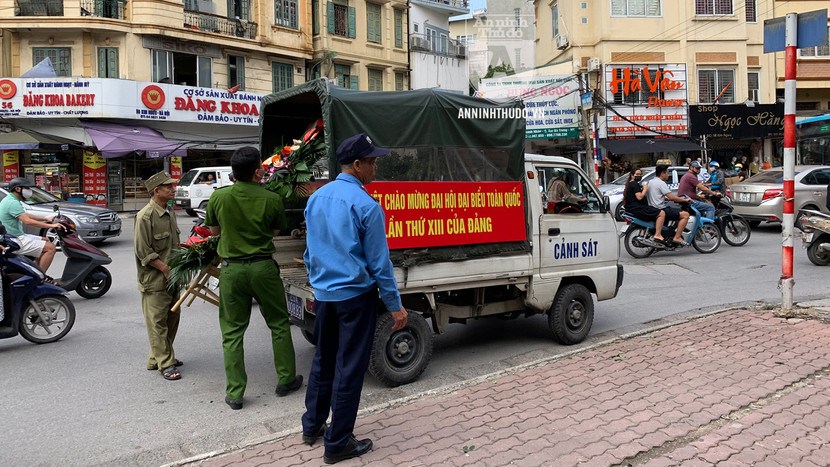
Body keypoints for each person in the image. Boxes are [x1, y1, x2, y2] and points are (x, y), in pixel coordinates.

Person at [301, 133, 408, 464]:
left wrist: (319, 282)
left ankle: (312, 427)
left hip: (324, 296)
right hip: (355, 298)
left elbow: (309, 253)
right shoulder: (367, 206)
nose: (375, 168)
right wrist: (395, 306)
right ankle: (338, 443)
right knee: (349, 368)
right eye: (373, 162)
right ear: (357, 165)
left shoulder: (316, 199)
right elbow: (380, 264)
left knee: (324, 360)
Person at [204, 146, 300, 411]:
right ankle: (286, 379)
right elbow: (276, 230)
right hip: (263, 268)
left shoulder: (219, 198)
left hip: (232, 270)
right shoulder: (272, 198)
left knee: (232, 331)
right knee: (279, 324)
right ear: (258, 171)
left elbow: (214, 231)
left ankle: (235, 393)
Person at [134, 172, 183, 381]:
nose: (173, 189)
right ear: (157, 191)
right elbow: (143, 251)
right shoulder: (145, 216)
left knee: (172, 319)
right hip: (155, 280)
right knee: (157, 323)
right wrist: (164, 269)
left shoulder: (169, 213)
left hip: (173, 277)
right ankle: (166, 363)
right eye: (169, 187)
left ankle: (158, 358)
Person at [0, 177, 63, 276]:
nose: (29, 191)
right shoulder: (12, 202)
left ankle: (35, 271)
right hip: (13, 240)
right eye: (26, 188)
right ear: (18, 189)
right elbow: (27, 221)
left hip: (16, 236)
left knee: (44, 240)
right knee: (51, 248)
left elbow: (25, 215)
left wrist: (46, 219)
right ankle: (40, 277)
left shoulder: (11, 200)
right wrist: (52, 225)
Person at [647, 165, 692, 245]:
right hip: (660, 209)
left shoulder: (651, 182)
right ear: (662, 174)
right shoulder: (661, 183)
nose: (668, 175)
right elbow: (671, 197)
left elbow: (658, 196)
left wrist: (665, 198)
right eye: (667, 173)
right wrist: (684, 200)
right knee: (685, 215)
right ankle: (677, 237)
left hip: (652, 208)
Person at [623, 168, 666, 242]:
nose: (639, 176)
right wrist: (645, 189)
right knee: (661, 213)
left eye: (640, 174)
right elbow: (639, 197)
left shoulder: (629, 184)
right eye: (637, 174)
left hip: (633, 209)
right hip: (638, 209)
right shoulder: (634, 184)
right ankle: (658, 234)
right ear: (632, 175)